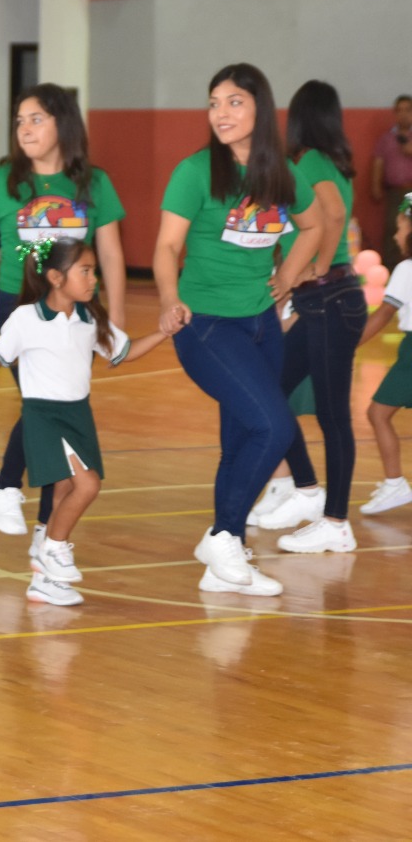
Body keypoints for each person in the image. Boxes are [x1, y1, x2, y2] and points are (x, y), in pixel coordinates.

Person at [155, 62, 320, 596]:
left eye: (233, 102)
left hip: (261, 324)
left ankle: (222, 563)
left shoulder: (280, 175)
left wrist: (288, 277)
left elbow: (317, 225)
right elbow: (165, 247)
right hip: (205, 325)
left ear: (259, 109)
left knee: (242, 436)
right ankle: (224, 536)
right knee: (274, 426)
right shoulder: (196, 171)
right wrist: (167, 298)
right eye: (213, 103)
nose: (220, 113)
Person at [0, 84, 126, 549]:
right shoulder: (3, 181)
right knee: (45, 408)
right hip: (20, 308)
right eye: (20, 121)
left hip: (78, 312)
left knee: (61, 413)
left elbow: (110, 253)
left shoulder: (94, 182)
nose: (25, 129)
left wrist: (117, 322)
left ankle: (46, 534)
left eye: (36, 119)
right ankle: (8, 484)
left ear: (63, 123)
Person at [0, 238, 167, 605]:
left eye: (93, 270)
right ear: (54, 277)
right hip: (43, 416)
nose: (93, 278)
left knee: (65, 491)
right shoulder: (26, 318)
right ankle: (53, 547)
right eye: (85, 270)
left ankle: (44, 580)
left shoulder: (90, 318)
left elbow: (123, 353)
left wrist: (165, 332)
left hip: (78, 414)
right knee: (88, 485)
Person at [246, 81, 364, 548]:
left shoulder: (310, 161)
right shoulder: (334, 163)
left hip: (331, 297)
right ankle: (308, 489)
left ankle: (336, 525)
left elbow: (332, 217)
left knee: (334, 416)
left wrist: (314, 267)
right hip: (326, 300)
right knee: (272, 394)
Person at [358, 197, 412, 518]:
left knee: (378, 414)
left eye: (399, 228)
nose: (394, 236)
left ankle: (395, 484)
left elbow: (382, 316)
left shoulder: (406, 269)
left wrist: (347, 346)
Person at [370, 94, 412, 267]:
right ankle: (390, 271)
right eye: (399, 110)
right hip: (395, 192)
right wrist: (375, 185)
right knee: (393, 230)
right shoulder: (386, 138)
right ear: (394, 113)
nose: (403, 114)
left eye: (407, 110)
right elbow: (378, 162)